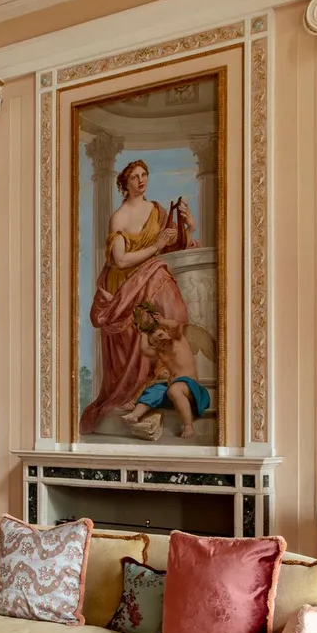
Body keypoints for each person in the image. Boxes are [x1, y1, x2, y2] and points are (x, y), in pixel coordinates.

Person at [79, 159, 202, 436]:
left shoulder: (157, 210)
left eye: (144, 174)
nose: (141, 180)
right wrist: (157, 245)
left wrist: (189, 226)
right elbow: (120, 261)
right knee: (136, 337)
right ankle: (132, 392)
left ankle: (160, 381)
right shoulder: (119, 217)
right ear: (125, 183)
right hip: (124, 285)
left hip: (149, 278)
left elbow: (173, 247)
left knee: (167, 304)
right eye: (134, 176)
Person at [120, 303, 210, 440]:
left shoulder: (178, 341)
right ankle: (135, 414)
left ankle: (188, 425)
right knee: (153, 390)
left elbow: (176, 325)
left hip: (191, 388)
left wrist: (163, 321)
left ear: (168, 332)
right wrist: (142, 335)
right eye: (155, 342)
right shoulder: (160, 353)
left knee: (174, 390)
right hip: (173, 389)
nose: (160, 340)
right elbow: (144, 350)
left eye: (161, 335)